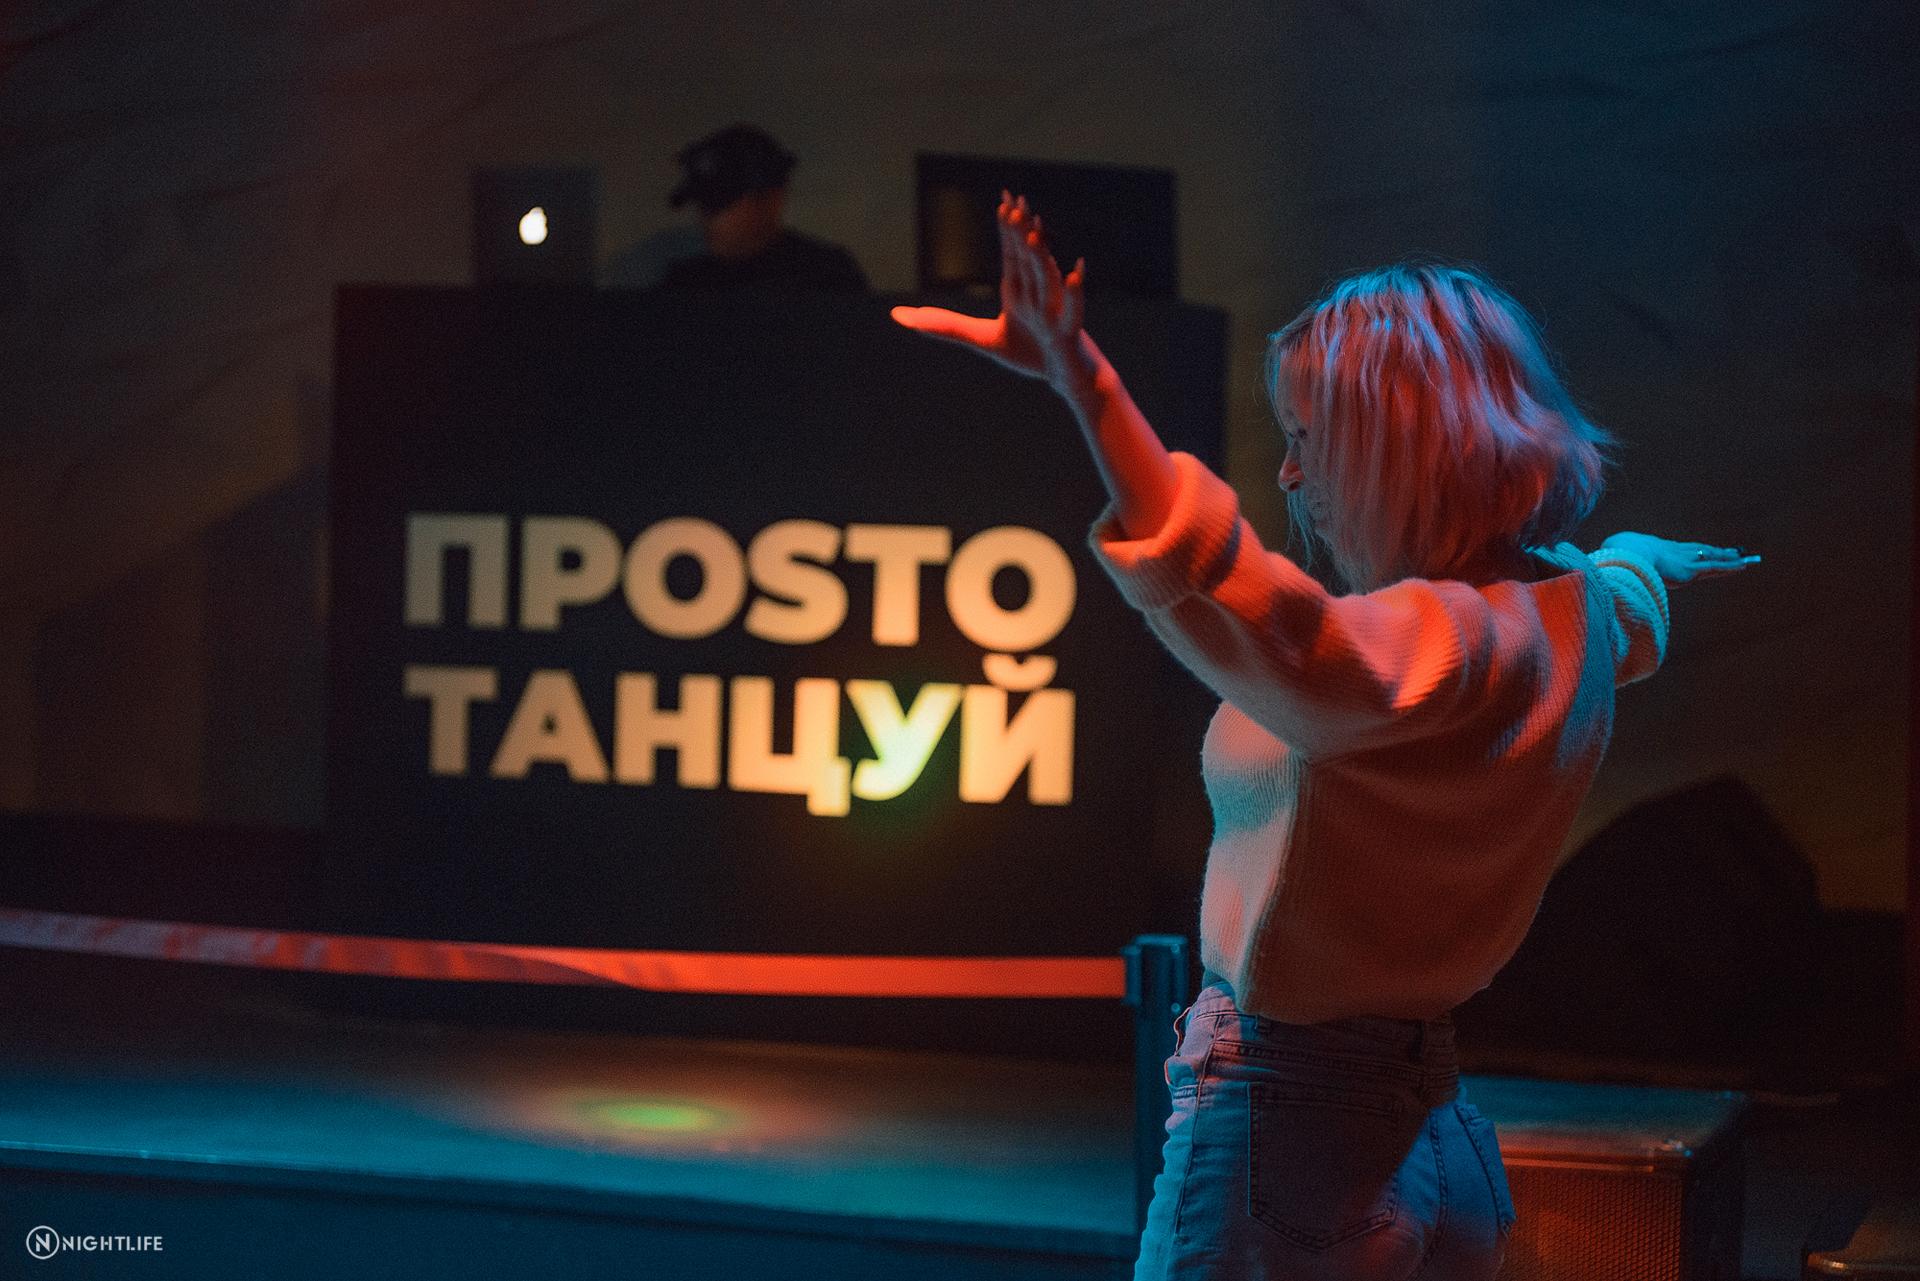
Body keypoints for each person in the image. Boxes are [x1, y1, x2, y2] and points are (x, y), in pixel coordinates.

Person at [892, 194, 1758, 1280]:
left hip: (1295, 1133)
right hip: (1432, 1131)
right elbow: (1623, 595)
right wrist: (1647, 560)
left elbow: (1246, 602)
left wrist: (1086, 382)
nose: (1290, 474)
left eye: (1309, 439)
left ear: (1403, 449)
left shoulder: (1425, 651)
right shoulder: (1566, 617)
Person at [642, 123, 868, 293]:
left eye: (720, 203)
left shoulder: (824, 275)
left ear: (770, 199)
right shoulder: (685, 285)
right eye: (703, 204)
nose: (707, 218)